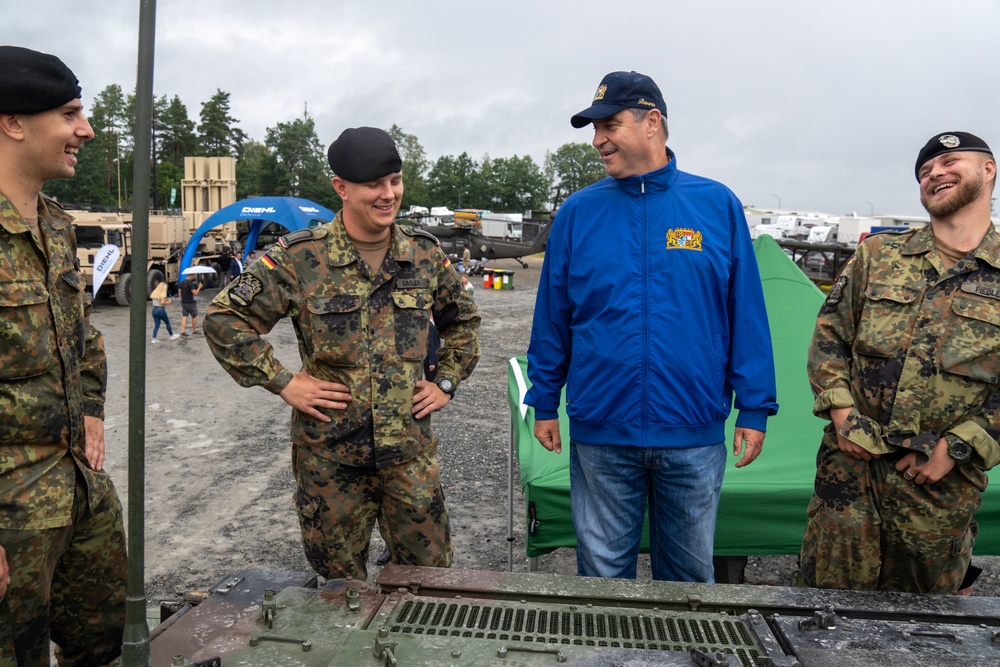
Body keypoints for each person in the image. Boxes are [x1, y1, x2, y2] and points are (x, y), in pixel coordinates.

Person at [526, 71, 778, 583]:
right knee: (601, 578)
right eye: (593, 129)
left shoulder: (716, 205)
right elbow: (553, 317)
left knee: (687, 582)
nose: (597, 140)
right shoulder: (577, 213)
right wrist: (544, 399)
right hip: (601, 433)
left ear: (652, 123)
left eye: (608, 125)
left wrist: (755, 406)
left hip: (693, 433)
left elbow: (745, 314)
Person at [204, 126, 480, 580]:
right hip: (330, 463)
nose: (388, 194)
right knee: (337, 590)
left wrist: (446, 381)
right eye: (374, 184)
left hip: (408, 457)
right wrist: (284, 381)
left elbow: (464, 321)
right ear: (341, 188)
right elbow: (223, 318)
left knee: (430, 583)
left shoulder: (423, 254)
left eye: (395, 180)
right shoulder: (298, 258)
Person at [800, 131, 1000, 594]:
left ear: (988, 170)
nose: (935, 173)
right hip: (850, 474)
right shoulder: (879, 256)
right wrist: (842, 414)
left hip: (939, 486)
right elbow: (830, 336)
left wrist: (958, 447)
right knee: (824, 611)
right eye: (925, 172)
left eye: (950, 161)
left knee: (925, 624)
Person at [0, 45, 127, 664]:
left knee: (100, 644)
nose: (87, 129)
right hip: (10, 512)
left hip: (77, 487)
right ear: (14, 121)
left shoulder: (54, 222)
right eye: (71, 113)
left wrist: (92, 409)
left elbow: (82, 336)